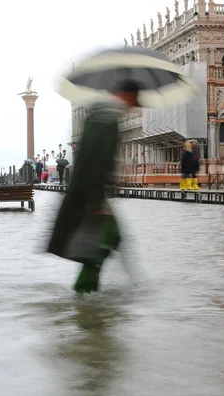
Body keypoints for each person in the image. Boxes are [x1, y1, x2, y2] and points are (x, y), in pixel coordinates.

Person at [47, 80, 137, 293]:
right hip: (91, 198)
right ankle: (89, 299)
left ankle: (123, 289)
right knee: (101, 244)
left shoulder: (101, 116)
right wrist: (96, 201)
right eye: (134, 98)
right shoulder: (106, 120)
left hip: (90, 195)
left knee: (108, 240)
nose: (135, 105)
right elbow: (95, 162)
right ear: (124, 94)